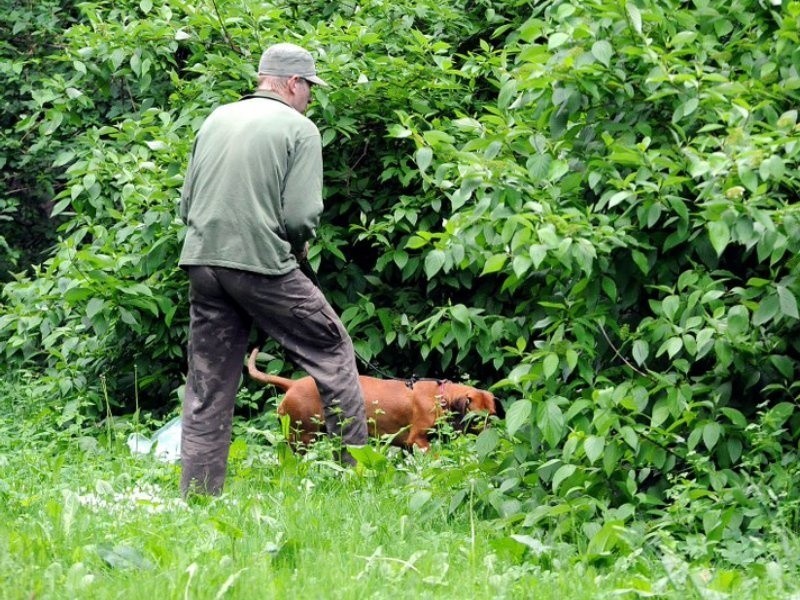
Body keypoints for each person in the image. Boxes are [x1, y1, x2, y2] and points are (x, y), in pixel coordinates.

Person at [177, 42, 368, 496]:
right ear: (294, 84)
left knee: (208, 385)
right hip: (262, 265)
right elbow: (301, 216)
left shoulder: (216, 118)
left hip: (203, 263)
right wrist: (296, 251)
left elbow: (186, 205)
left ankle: (198, 497)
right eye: (310, 89)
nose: (310, 99)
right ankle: (357, 484)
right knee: (334, 353)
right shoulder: (299, 129)